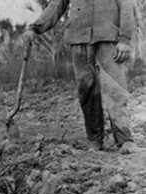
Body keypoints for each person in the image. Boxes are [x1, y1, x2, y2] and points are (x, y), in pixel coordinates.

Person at [23, 0, 140, 153]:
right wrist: (35, 29)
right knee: (86, 90)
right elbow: (56, 5)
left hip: (107, 36)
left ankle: (125, 140)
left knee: (114, 89)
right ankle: (94, 140)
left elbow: (126, 4)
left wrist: (124, 39)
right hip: (79, 38)